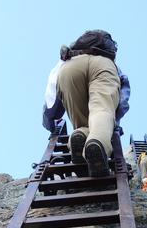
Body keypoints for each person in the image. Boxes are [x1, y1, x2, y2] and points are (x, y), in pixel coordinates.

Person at [43, 30, 130, 177]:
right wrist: (113, 119)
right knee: (101, 109)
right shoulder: (110, 62)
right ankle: (97, 142)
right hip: (103, 67)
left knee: (83, 123)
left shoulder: (64, 61)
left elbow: (52, 97)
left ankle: (80, 134)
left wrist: (50, 122)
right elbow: (123, 95)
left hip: (69, 69)